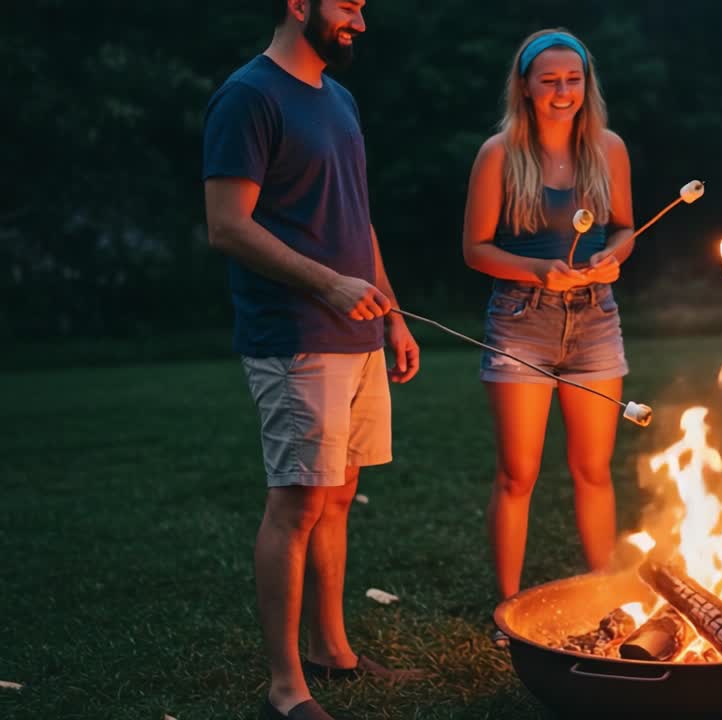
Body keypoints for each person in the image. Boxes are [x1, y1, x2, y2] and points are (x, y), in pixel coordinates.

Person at [202, 1, 423, 717]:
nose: (360, 19)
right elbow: (228, 227)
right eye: (348, 5)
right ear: (299, 4)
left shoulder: (339, 98)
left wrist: (390, 311)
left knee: (337, 497)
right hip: (293, 329)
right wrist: (328, 284)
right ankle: (285, 688)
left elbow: (357, 216)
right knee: (296, 503)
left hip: (358, 333)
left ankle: (333, 653)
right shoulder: (248, 97)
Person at [461, 28, 635, 640]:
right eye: (550, 81)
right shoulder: (500, 153)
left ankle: (611, 596)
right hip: (521, 320)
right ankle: (507, 610)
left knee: (595, 469)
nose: (563, 92)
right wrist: (540, 269)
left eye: (574, 80)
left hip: (595, 318)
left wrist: (614, 257)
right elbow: (475, 249)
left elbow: (624, 229)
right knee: (518, 473)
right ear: (527, 87)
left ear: (587, 85)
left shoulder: (607, 148)